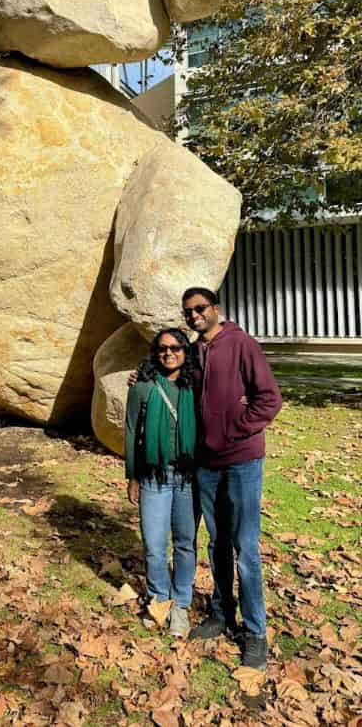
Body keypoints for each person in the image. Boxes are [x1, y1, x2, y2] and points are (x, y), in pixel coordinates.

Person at [181, 286, 281, 671]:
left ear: (216, 309)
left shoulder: (241, 344)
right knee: (217, 543)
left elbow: (269, 398)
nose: (194, 316)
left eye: (200, 308)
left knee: (246, 547)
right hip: (206, 464)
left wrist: (237, 429)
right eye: (188, 311)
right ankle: (222, 613)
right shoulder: (194, 350)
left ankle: (256, 633)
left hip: (241, 460)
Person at [125, 329, 200, 638]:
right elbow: (131, 432)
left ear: (186, 351)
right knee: (154, 545)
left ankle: (181, 603)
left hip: (189, 476)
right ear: (155, 352)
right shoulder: (141, 386)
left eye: (176, 347)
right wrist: (132, 475)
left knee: (185, 542)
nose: (169, 353)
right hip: (153, 475)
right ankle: (159, 598)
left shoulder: (197, 385)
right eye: (163, 348)